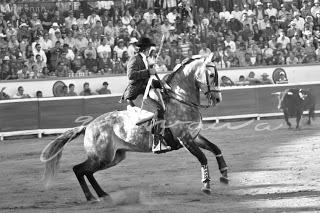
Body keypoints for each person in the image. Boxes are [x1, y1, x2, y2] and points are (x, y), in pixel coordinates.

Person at [121, 37, 171, 154]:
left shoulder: (145, 60)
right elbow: (131, 75)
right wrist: (148, 72)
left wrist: (161, 83)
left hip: (143, 92)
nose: (150, 50)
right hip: (135, 94)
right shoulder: (135, 59)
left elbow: (147, 81)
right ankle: (157, 144)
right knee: (158, 110)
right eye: (150, 48)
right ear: (146, 49)